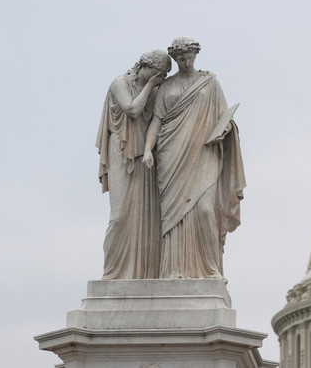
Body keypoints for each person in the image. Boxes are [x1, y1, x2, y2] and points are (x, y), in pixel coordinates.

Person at [143, 36, 245, 279]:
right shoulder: (166, 87)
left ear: (196, 56)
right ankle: (173, 270)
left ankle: (210, 270)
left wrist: (225, 130)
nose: (185, 61)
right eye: (180, 58)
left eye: (189, 57)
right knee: (173, 216)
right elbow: (156, 121)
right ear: (175, 59)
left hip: (203, 153)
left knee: (204, 210)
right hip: (171, 154)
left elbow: (224, 116)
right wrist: (148, 149)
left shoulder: (209, 83)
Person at [96, 49, 170, 279]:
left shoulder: (157, 90)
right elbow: (132, 110)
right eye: (157, 73)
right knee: (119, 215)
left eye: (164, 76)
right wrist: (151, 86)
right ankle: (112, 273)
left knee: (145, 218)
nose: (160, 79)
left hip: (145, 156)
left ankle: (143, 274)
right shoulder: (120, 83)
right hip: (121, 151)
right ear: (144, 66)